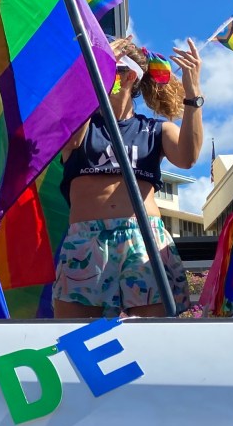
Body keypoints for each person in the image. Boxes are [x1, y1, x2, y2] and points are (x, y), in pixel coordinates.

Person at [54, 37, 204, 318]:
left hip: (143, 237)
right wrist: (95, 67)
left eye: (109, 68)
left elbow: (188, 158)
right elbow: (68, 140)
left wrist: (193, 94)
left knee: (153, 338)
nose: (101, 74)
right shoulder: (80, 122)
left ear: (129, 76)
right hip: (87, 240)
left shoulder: (156, 129)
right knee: (73, 334)